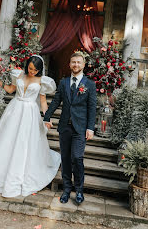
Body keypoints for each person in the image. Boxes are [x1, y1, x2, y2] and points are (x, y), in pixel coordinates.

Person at [0, 55, 61, 197]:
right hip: (15, 109)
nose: (32, 72)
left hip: (30, 113)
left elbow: (43, 102)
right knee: (7, 140)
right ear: (27, 65)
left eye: (35, 70)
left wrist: (47, 118)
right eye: (30, 68)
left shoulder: (42, 81)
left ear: (39, 70)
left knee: (24, 142)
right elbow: (10, 90)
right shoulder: (19, 75)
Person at [43, 52, 96, 205]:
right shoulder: (64, 82)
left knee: (77, 158)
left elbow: (92, 108)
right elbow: (56, 101)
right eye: (73, 62)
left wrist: (90, 128)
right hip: (64, 127)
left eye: (79, 62)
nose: (76, 65)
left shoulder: (90, 85)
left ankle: (79, 190)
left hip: (80, 128)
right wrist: (47, 117)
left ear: (84, 65)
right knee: (65, 159)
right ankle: (66, 190)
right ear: (69, 64)